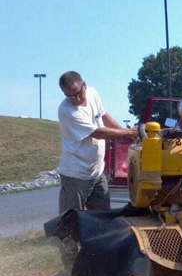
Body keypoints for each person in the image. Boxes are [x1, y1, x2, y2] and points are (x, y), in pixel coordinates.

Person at [57, 71, 137, 213]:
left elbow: (104, 116)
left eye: (77, 93)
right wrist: (128, 132)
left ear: (84, 85)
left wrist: (125, 134)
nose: (75, 99)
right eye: (70, 96)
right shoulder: (67, 111)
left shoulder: (93, 93)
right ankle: (64, 236)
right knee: (70, 220)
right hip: (76, 174)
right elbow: (98, 133)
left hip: (97, 172)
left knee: (103, 217)